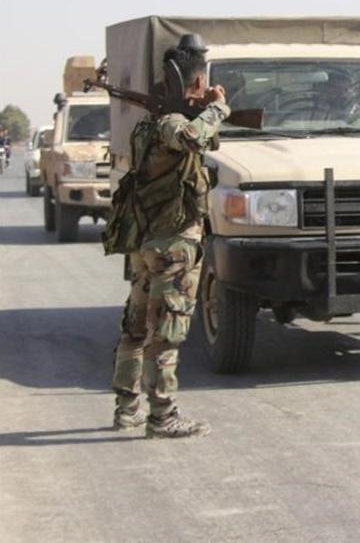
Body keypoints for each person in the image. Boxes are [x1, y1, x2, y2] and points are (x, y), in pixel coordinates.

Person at [111, 35, 227, 439]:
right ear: (195, 83)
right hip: (173, 245)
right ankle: (162, 416)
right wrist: (217, 107)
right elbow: (194, 137)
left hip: (146, 244)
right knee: (167, 332)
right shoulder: (172, 125)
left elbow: (203, 141)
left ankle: (127, 410)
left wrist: (202, 110)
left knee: (136, 328)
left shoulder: (148, 126)